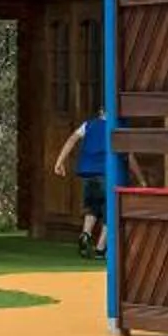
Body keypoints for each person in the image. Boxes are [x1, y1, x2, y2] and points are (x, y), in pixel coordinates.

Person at [53, 110, 110, 257]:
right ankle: (100, 248)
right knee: (110, 212)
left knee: (91, 207)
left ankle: (86, 234)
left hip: (87, 173)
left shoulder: (88, 125)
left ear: (100, 112)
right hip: (105, 172)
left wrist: (59, 161)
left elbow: (72, 139)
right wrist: (140, 178)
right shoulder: (114, 126)